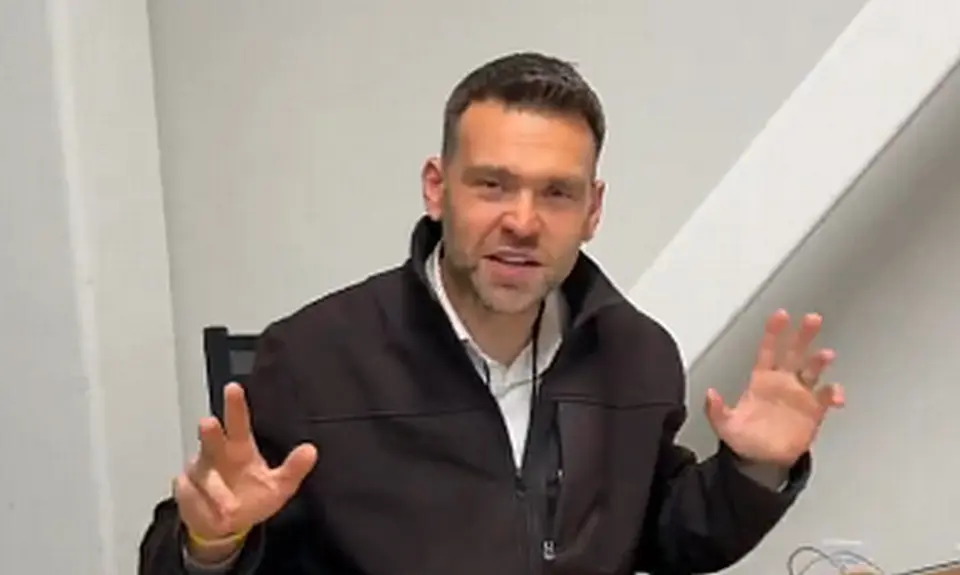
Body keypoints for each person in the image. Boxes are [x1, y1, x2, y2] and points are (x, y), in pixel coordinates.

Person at [138, 51, 845, 575]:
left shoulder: (636, 355)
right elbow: (190, 543)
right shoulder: (314, 357)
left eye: (557, 194)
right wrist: (211, 542)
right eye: (493, 185)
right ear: (437, 189)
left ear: (593, 210)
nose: (523, 221)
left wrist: (753, 469)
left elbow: (668, 538)